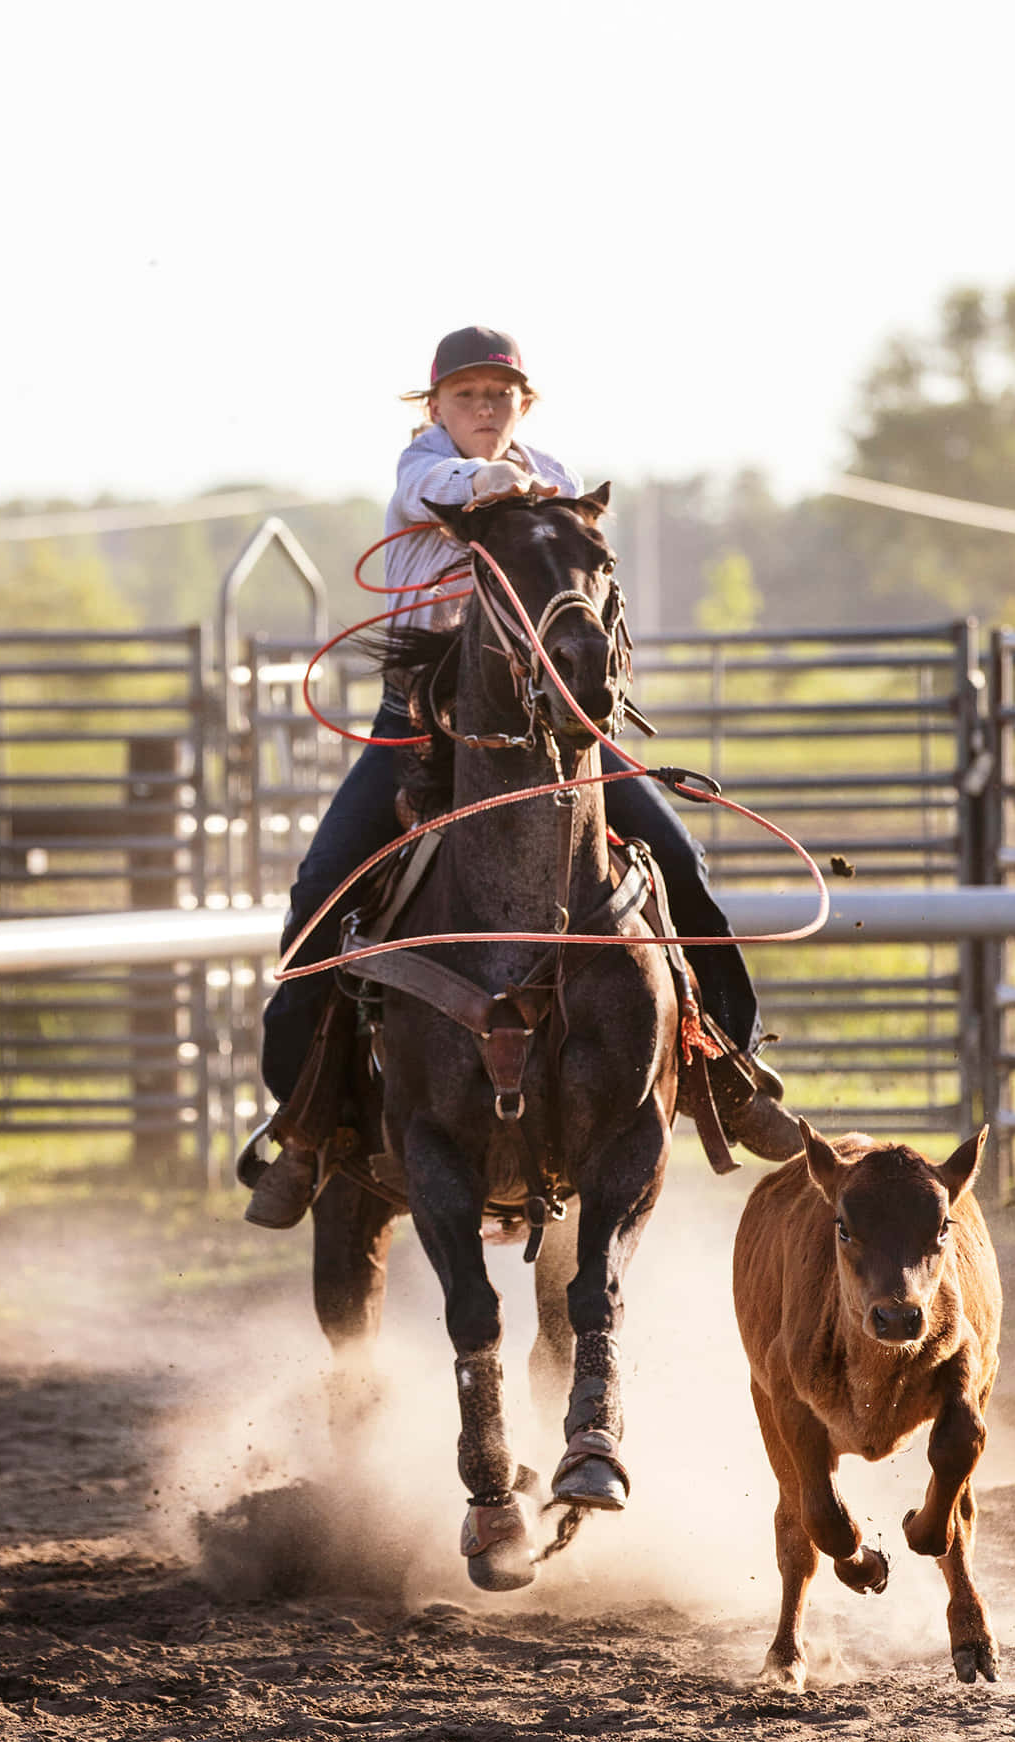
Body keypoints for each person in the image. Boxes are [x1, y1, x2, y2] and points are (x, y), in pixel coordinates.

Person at [247, 326, 799, 1227]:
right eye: (467, 396)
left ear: (523, 404)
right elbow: (448, 488)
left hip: (551, 729)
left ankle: (725, 1074)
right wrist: (521, 490)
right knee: (321, 892)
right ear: (436, 409)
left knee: (680, 863)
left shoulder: (551, 473)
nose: (484, 410)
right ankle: (306, 1122)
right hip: (422, 727)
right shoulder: (426, 471)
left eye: (499, 395)